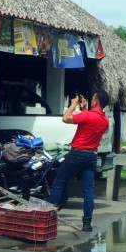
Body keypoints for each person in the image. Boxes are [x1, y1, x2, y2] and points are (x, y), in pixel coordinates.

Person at [50, 90, 111, 231]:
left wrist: (73, 104)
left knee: (59, 183)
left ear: (95, 102)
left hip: (76, 153)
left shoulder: (87, 116)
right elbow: (88, 122)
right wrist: (84, 109)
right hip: (91, 156)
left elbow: (66, 118)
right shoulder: (105, 121)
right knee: (88, 189)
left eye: (93, 99)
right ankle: (87, 223)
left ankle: (49, 218)